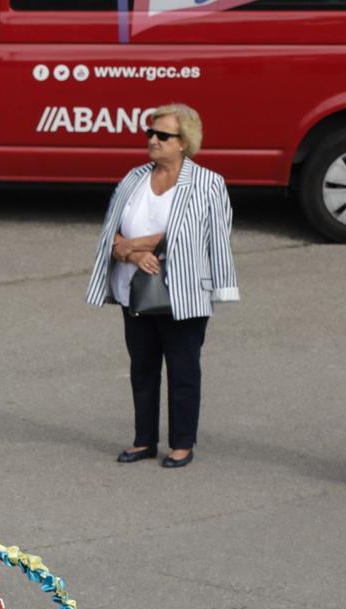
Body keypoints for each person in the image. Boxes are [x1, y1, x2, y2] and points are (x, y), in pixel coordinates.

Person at [85, 102, 238, 470]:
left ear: (183, 142)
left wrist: (133, 245)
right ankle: (143, 441)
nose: (152, 140)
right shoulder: (133, 178)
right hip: (133, 289)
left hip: (183, 293)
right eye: (150, 133)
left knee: (183, 370)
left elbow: (203, 236)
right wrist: (131, 254)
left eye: (162, 135)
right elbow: (111, 229)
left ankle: (182, 443)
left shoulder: (208, 183)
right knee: (142, 367)